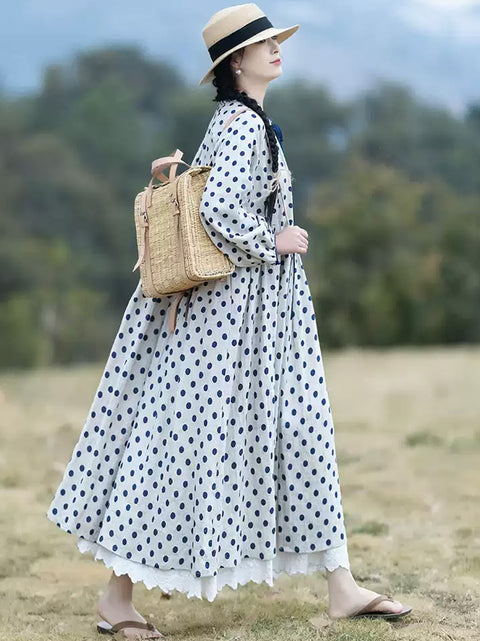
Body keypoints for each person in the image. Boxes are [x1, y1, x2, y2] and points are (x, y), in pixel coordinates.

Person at [46, 3, 412, 638]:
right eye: (262, 44)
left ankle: (341, 583)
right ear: (234, 62)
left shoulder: (246, 120)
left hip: (264, 317)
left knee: (298, 434)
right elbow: (218, 209)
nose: (275, 50)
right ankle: (117, 597)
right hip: (232, 321)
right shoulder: (242, 125)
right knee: (189, 444)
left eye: (274, 41)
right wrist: (277, 241)